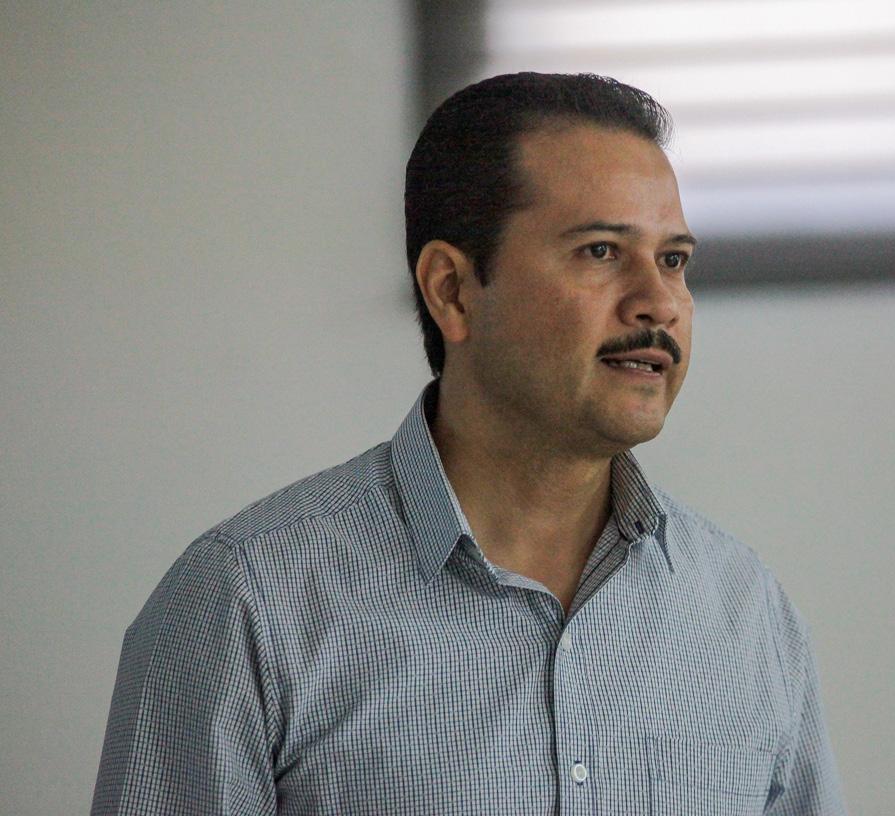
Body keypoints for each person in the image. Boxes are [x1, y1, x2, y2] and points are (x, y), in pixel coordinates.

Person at [91, 72, 847, 815]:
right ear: (452, 289)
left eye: (673, 260)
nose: (658, 303)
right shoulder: (246, 604)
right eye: (600, 251)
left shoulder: (745, 613)